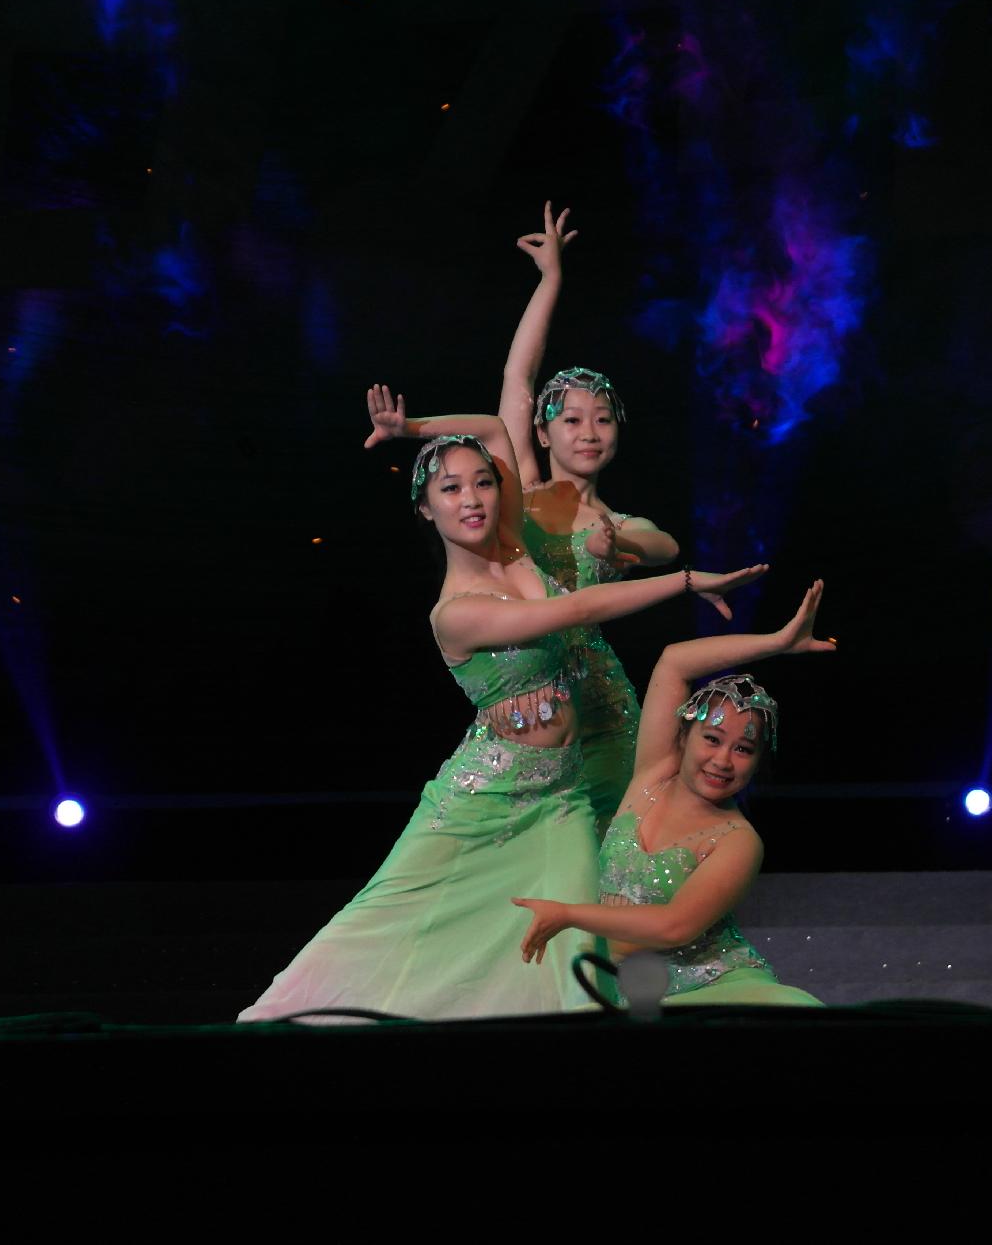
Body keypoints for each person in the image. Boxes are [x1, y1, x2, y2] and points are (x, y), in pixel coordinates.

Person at [236, 405, 766, 1022]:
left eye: (483, 482)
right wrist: (686, 581)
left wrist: (410, 430)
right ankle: (275, 1026)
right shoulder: (455, 612)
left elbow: (492, 426)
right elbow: (576, 611)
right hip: (484, 797)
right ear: (425, 508)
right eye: (450, 488)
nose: (472, 499)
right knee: (385, 918)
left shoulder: (514, 541)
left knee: (570, 945)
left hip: (561, 794)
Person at [513, 582, 835, 1009]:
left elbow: (673, 927)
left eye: (743, 749)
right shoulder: (652, 777)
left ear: (758, 762)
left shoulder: (738, 841)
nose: (722, 760)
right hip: (625, 987)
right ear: (683, 738)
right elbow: (675, 661)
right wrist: (777, 642)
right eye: (712, 739)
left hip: (711, 991)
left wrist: (569, 914)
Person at [500, 202, 679, 835]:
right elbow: (519, 375)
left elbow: (665, 547)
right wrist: (551, 279)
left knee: (599, 845)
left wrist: (619, 541)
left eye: (602, 419)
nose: (589, 432)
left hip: (601, 706)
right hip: (527, 692)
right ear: (543, 433)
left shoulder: (620, 520)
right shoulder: (523, 490)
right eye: (572, 419)